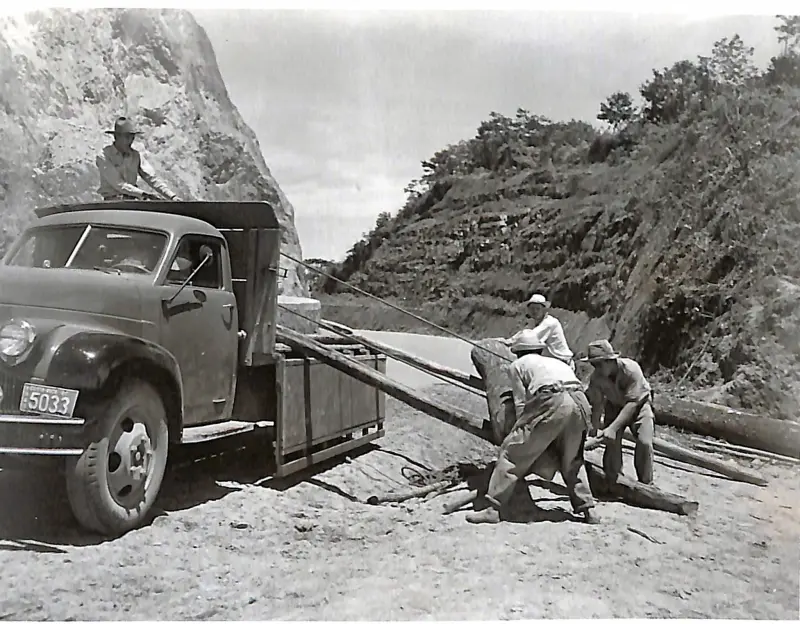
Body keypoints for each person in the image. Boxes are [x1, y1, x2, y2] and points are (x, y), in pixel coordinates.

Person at [466, 333, 598, 525]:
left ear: (517, 352)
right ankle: (588, 510)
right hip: (580, 401)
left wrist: (519, 430)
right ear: (539, 349)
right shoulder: (557, 363)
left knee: (511, 453)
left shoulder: (517, 366)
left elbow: (521, 404)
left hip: (552, 398)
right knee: (572, 459)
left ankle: (492, 509)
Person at [581, 339, 655, 485]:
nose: (595, 368)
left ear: (609, 361)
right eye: (593, 364)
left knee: (644, 443)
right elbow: (597, 403)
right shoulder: (597, 378)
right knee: (611, 445)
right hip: (614, 406)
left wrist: (612, 428)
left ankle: (646, 483)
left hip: (640, 406)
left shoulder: (631, 369)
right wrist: (594, 429)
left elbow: (633, 403)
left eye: (598, 364)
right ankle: (613, 480)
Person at [96, 116, 180, 201]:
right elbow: (118, 184)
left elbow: (151, 178)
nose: (130, 141)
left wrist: (172, 196)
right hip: (112, 203)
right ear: (117, 137)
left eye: (132, 137)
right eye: (127, 137)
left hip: (133, 202)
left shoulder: (135, 155)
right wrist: (143, 194)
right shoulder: (104, 156)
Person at [499, 293, 575, 369]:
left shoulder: (550, 323)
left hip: (562, 362)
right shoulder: (534, 323)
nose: (534, 311)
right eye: (532, 309)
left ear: (544, 310)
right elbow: (523, 333)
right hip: (552, 360)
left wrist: (508, 342)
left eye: (538, 309)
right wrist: (508, 341)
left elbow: (531, 337)